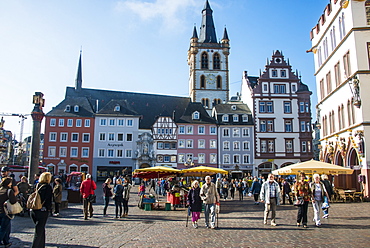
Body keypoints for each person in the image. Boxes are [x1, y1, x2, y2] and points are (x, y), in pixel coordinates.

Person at [30, 172, 53, 248]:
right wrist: (49, 209)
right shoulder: (48, 187)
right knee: (39, 231)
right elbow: (48, 200)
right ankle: (35, 246)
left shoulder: (37, 185)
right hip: (42, 210)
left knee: (41, 229)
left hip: (34, 209)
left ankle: (41, 245)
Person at [0, 177, 17, 247]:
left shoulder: (0, 190)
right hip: (6, 212)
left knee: (5, 227)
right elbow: (13, 201)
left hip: (0, 211)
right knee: (4, 228)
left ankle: (6, 242)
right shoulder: (9, 191)